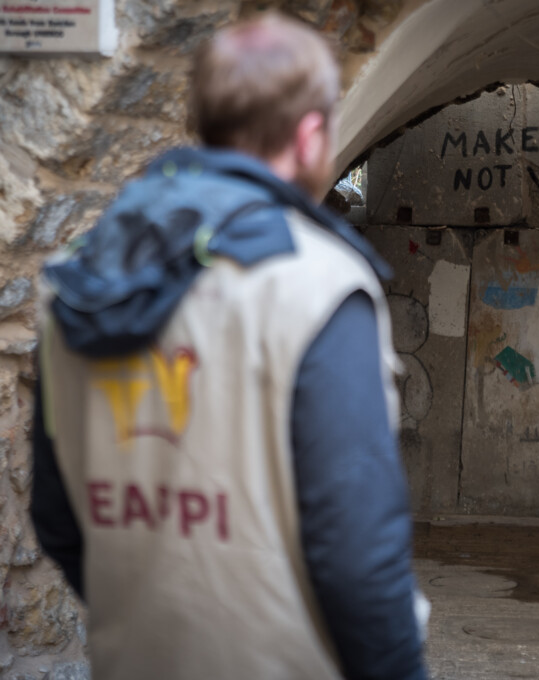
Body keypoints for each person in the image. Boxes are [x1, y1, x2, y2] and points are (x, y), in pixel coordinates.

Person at [30, 12, 427, 680]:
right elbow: (357, 553)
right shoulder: (315, 284)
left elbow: (57, 518)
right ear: (308, 136)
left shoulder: (77, 279)